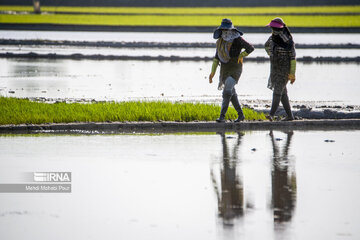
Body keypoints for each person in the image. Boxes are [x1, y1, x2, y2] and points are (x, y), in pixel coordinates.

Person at [209, 18, 254, 123]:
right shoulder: (220, 41)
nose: (225, 32)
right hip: (224, 69)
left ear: (231, 30)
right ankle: (241, 115)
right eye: (223, 30)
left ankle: (222, 117)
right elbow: (216, 58)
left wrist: (241, 55)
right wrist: (212, 73)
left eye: (227, 29)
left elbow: (250, 48)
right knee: (231, 93)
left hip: (235, 67)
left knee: (227, 91)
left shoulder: (237, 39)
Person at [265, 17, 296, 121]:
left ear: (281, 29)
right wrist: (271, 54)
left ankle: (271, 114)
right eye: (273, 29)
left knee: (277, 91)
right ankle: (290, 116)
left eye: (276, 29)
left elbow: (293, 58)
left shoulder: (288, 41)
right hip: (275, 68)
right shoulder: (272, 38)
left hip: (285, 69)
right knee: (283, 94)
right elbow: (266, 46)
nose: (274, 31)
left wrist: (292, 73)